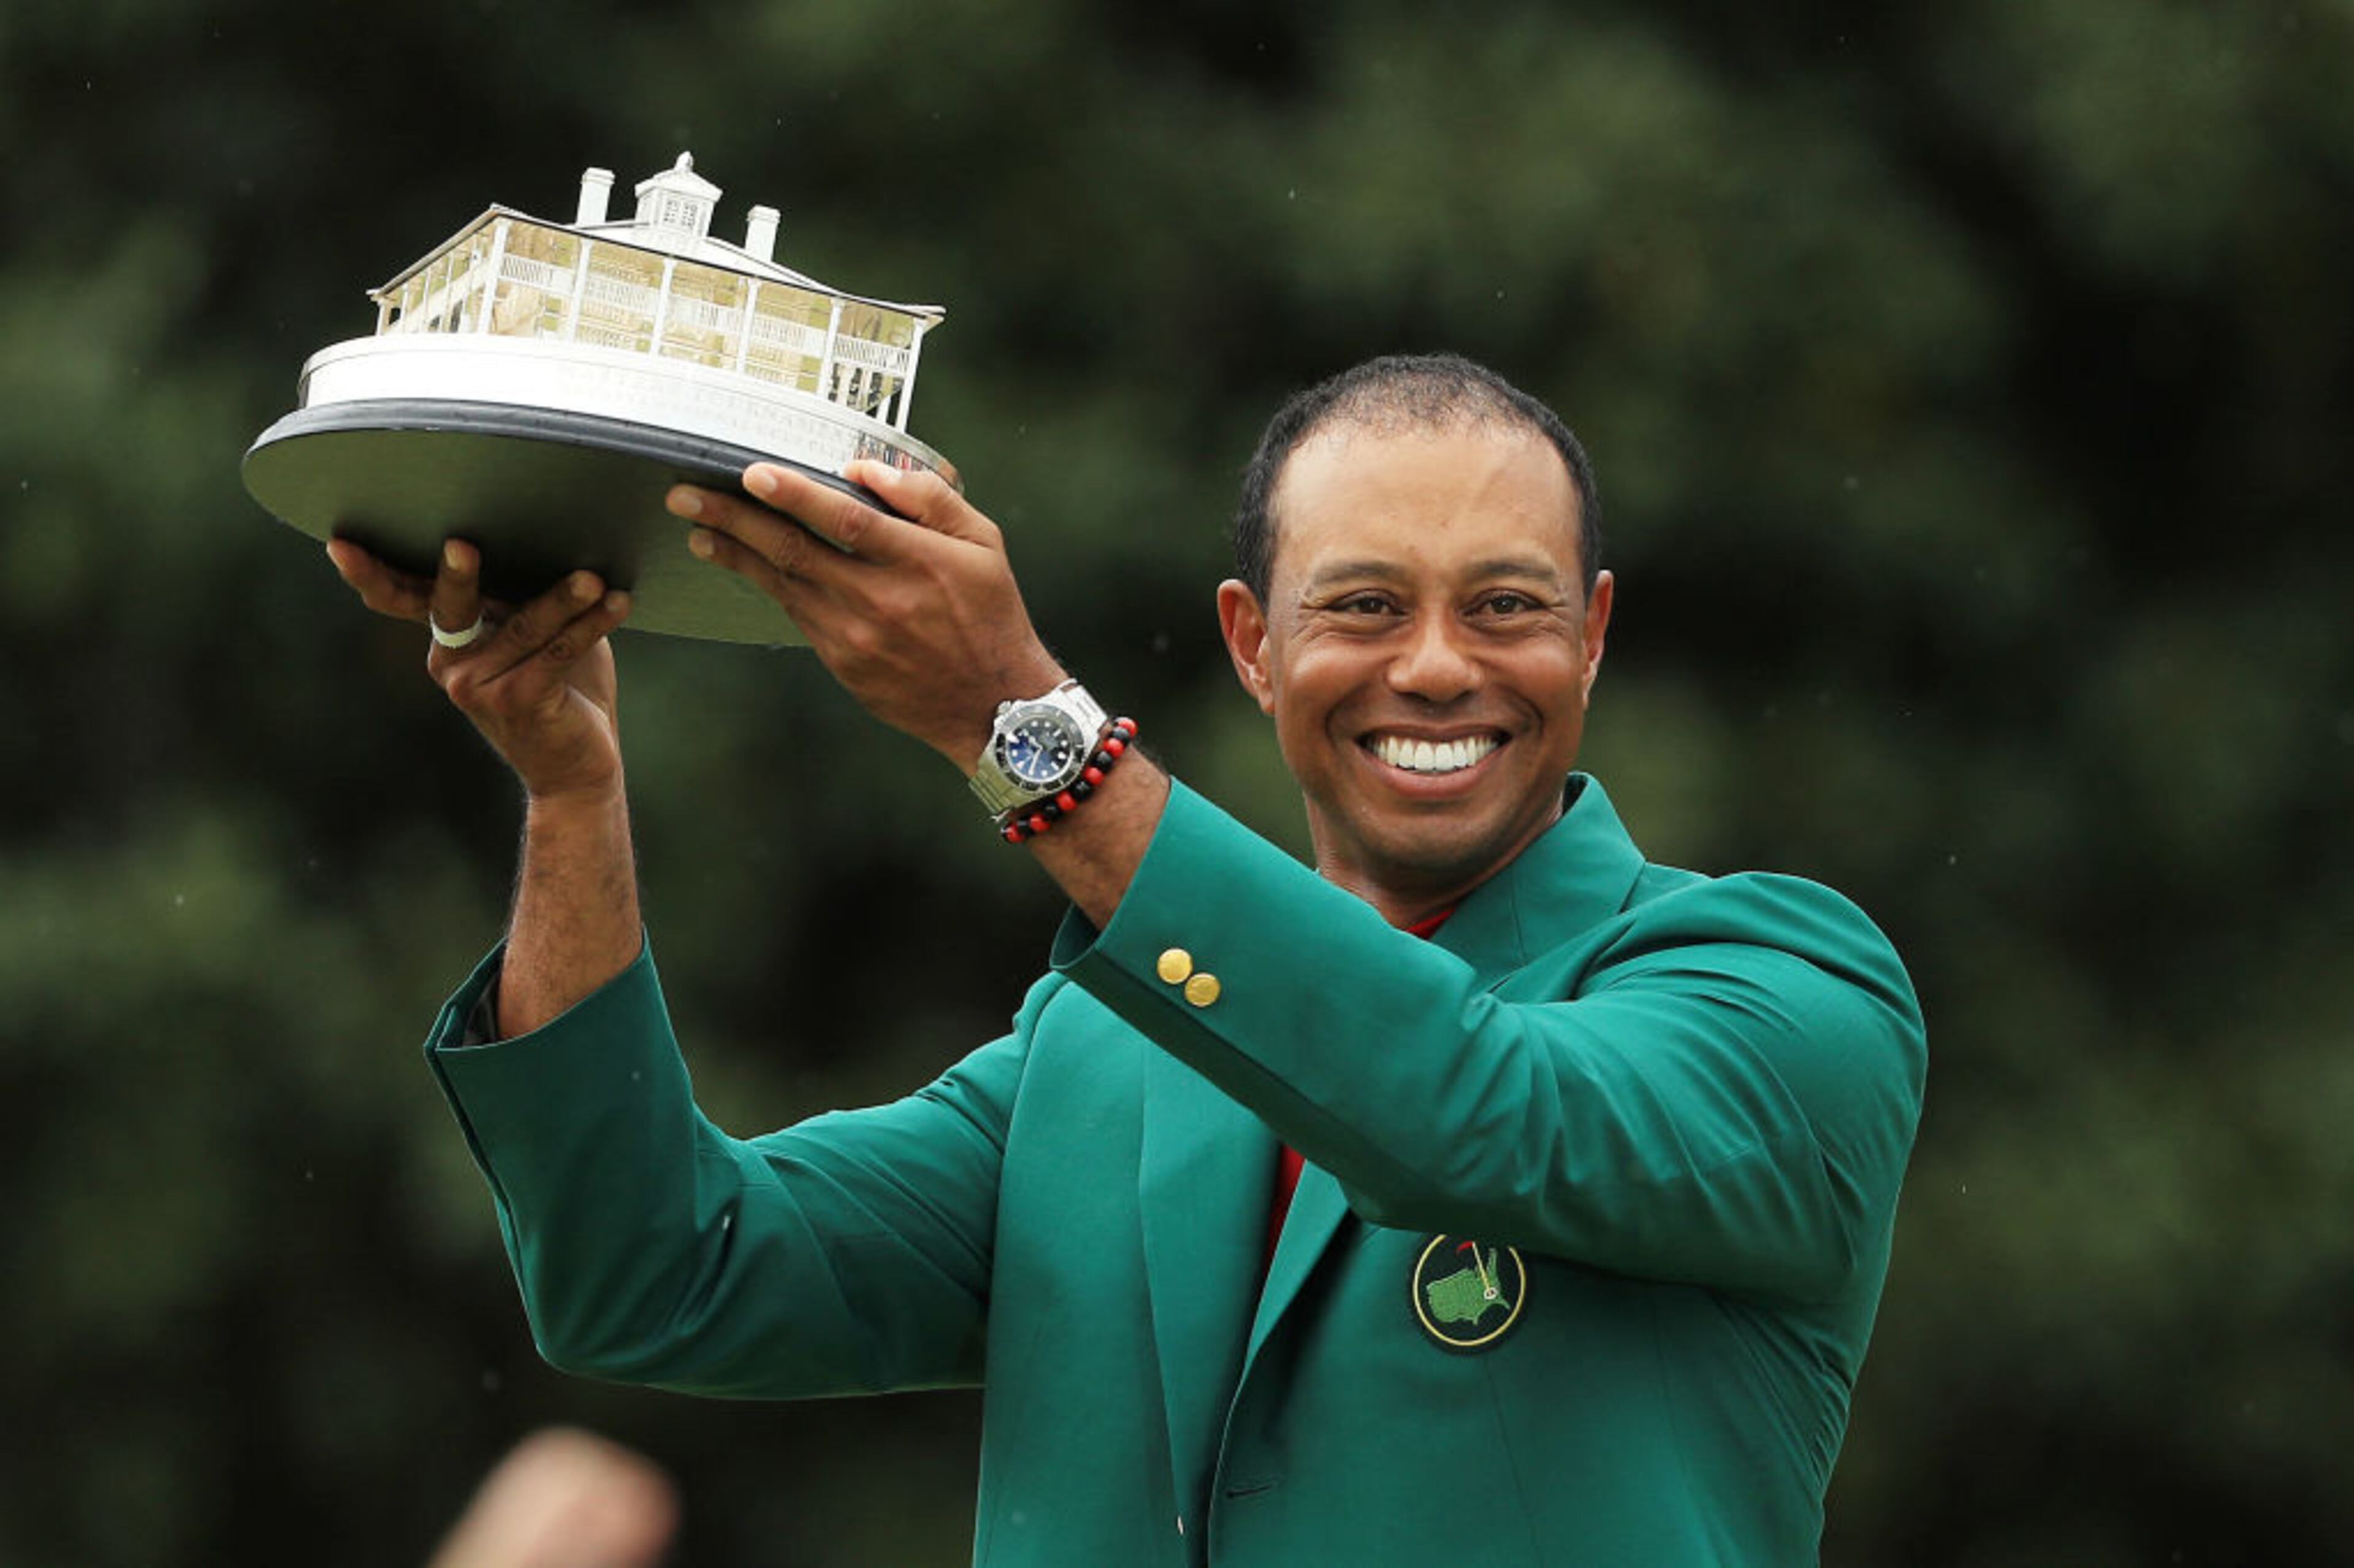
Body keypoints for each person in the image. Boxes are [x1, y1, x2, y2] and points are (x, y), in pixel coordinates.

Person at [330, 354, 1926, 1566]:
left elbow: (1473, 1109)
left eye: (1504, 607)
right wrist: (572, 792)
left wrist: (1020, 729)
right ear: (1253, 642)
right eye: (1363, 604)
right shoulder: (1102, 1053)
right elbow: (659, 1272)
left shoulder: (1784, 994)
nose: (1437, 665)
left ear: (1589, 635)